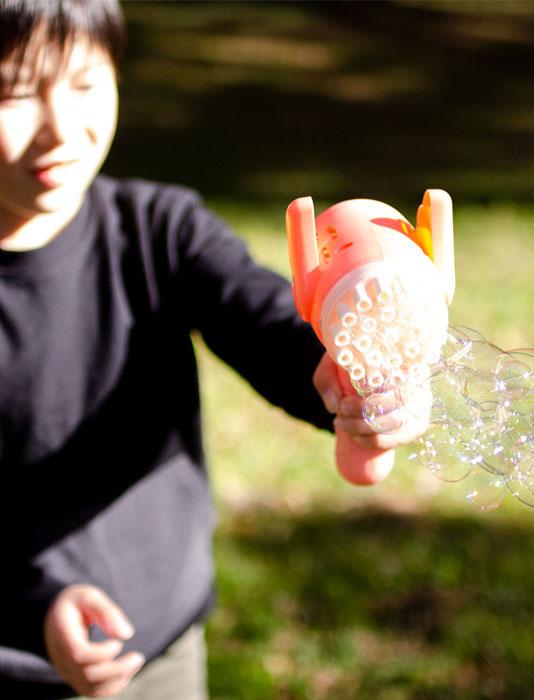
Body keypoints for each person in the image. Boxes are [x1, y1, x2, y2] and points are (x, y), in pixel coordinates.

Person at [0, 1, 414, 698]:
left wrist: (343, 377)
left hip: (158, 648)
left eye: (85, 83)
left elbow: (266, 322)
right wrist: (35, 602)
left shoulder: (160, 229)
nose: (61, 130)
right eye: (13, 92)